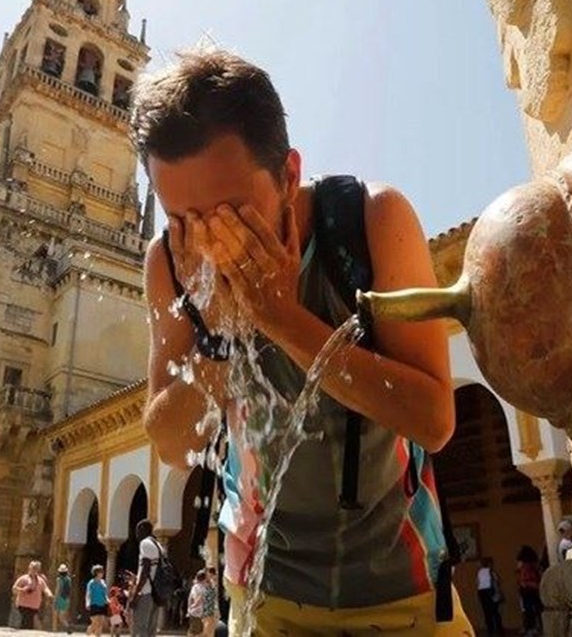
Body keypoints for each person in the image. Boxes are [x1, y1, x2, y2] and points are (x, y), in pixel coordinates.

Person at [136, 48, 472, 633]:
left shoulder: (371, 220)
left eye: (233, 212)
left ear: (289, 175)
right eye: (183, 219)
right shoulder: (169, 263)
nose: (210, 241)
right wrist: (221, 336)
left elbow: (432, 419)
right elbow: (169, 441)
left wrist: (282, 319)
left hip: (404, 591)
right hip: (261, 595)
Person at [125, 520, 165, 636]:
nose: (136, 534)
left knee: (140, 628)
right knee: (151, 631)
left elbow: (145, 570)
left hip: (146, 592)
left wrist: (136, 594)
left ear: (143, 529)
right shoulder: (159, 546)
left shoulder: (145, 543)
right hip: (156, 593)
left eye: (137, 530)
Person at [12, 560, 53, 630]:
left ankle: (25, 632)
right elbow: (14, 588)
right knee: (26, 620)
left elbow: (45, 588)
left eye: (36, 568)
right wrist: (22, 590)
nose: (34, 569)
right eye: (33, 567)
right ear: (29, 568)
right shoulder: (23, 578)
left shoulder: (40, 580)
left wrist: (49, 595)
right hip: (23, 604)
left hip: (34, 605)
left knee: (29, 621)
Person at [516, 546, 544, 636]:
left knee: (528, 610)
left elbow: (523, 579)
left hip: (526, 589)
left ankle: (530, 628)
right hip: (533, 589)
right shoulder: (534, 566)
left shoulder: (524, 567)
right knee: (536, 609)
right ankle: (536, 627)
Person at [476, 557, 503, 635]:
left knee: (488, 613)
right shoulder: (490, 572)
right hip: (490, 592)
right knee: (494, 612)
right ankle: (498, 630)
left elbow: (477, 583)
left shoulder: (480, 572)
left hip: (484, 593)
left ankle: (491, 631)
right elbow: (497, 582)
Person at [186, 570, 216, 637]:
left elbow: (190, 599)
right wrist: (194, 606)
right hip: (199, 613)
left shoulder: (195, 587)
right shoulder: (203, 588)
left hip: (195, 612)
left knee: (194, 631)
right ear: (204, 578)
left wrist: (189, 609)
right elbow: (199, 598)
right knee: (196, 632)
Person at [86, 565, 110, 635]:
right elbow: (88, 593)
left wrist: (107, 599)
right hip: (94, 604)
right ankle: (89, 632)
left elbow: (104, 593)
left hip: (102, 604)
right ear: (96, 573)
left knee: (100, 624)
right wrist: (87, 602)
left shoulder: (103, 582)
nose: (103, 573)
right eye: (101, 572)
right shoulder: (91, 583)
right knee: (95, 623)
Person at [54, 564, 73, 633]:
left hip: (60, 598)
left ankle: (55, 629)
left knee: (56, 615)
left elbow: (58, 589)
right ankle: (67, 626)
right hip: (66, 599)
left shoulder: (59, 579)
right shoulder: (69, 579)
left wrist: (55, 598)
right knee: (62, 616)